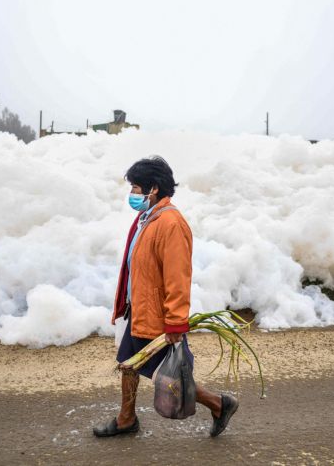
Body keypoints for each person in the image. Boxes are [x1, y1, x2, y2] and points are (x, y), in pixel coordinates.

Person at [93, 156, 239, 438]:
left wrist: (175, 323)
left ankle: (220, 404)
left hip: (157, 315)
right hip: (138, 307)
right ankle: (126, 418)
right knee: (129, 364)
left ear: (154, 189)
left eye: (136, 188)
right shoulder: (147, 219)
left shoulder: (171, 224)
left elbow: (178, 277)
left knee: (170, 377)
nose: (132, 195)